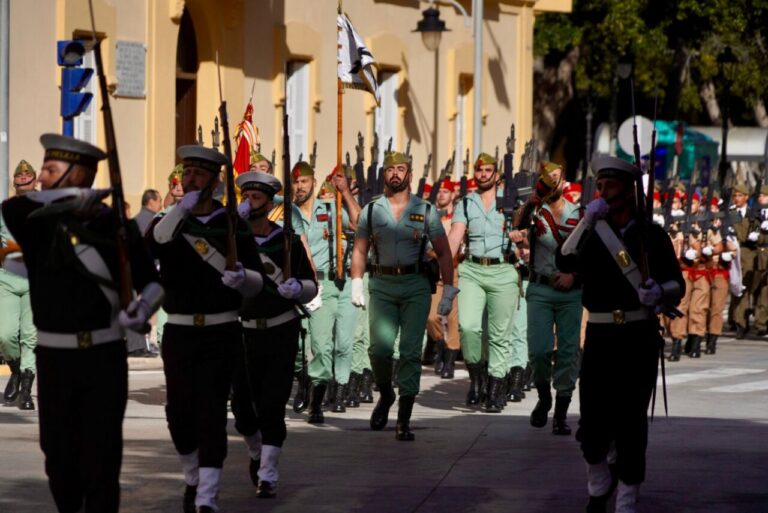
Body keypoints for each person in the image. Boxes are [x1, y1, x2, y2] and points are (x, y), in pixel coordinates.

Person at [2, 134, 163, 513]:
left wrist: (143, 310)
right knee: (57, 459)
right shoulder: (37, 223)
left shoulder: (115, 226)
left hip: (104, 356)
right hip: (55, 359)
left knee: (102, 459)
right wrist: (69, 201)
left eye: (50, 170)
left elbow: (151, 282)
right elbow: (12, 207)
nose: (41, 177)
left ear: (77, 174)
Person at [557, 154, 684, 513]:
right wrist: (585, 222)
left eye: (609, 185)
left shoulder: (651, 234)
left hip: (638, 336)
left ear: (629, 191)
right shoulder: (592, 233)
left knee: (631, 423)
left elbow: (678, 283)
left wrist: (659, 291)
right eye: (598, 185)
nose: (601, 191)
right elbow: (564, 261)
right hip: (600, 337)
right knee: (593, 423)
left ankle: (626, 497)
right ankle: (599, 481)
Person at [149, 145, 264, 513]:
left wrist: (242, 278)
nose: (191, 179)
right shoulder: (171, 222)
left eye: (200, 174)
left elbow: (259, 282)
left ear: (215, 181)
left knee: (212, 412)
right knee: (179, 413)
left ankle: (207, 496)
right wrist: (179, 209)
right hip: (180, 331)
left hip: (221, 330)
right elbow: (153, 243)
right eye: (187, 173)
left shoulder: (232, 223)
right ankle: (193, 477)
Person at [350, 151, 456, 441]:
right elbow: (360, 248)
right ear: (384, 175)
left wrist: (448, 290)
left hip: (415, 285)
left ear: (410, 174)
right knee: (380, 350)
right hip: (382, 284)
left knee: (410, 351)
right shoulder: (372, 210)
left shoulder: (426, 210)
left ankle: (403, 419)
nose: (395, 174)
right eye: (390, 170)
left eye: (401, 169)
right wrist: (356, 281)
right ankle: (386, 394)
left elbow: (445, 252)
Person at [229, 171, 317, 498]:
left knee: (272, 403)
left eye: (256, 197)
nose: (249, 203)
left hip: (280, 328)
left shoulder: (287, 240)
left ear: (269, 203)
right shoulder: (233, 241)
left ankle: (267, 473)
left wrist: (299, 288)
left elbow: (310, 285)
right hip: (244, 331)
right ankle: (255, 451)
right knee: (242, 408)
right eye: (245, 196)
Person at [509, 161, 582, 435]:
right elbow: (516, 225)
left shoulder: (579, 213)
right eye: (547, 178)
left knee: (568, 351)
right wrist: (531, 202)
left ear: (564, 180)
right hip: (539, 289)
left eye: (556, 177)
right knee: (538, 350)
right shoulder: (535, 211)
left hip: (570, 291)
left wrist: (574, 276)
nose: (552, 182)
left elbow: (587, 252)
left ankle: (561, 413)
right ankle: (543, 396)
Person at [448, 153, 520, 412]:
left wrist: (522, 237)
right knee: (468, 327)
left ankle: (495, 388)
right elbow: (455, 238)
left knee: (499, 335)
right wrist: (438, 253)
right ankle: (476, 376)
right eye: (479, 170)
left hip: (503, 270)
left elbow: (529, 234)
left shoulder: (512, 200)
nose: (482, 175)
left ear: (496, 173)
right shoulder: (466, 203)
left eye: (488, 170)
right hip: (472, 270)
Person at [292, 161, 360, 423]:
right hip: (298, 284)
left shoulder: (332, 208)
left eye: (304, 181)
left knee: (322, 345)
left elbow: (358, 222)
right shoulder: (289, 213)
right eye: (296, 182)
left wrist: (346, 193)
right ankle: (303, 382)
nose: (300, 186)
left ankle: (317, 402)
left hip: (327, 285)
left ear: (313, 182)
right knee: (296, 347)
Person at [1, 160, 38, 409]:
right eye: (19, 177)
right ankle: (15, 369)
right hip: (7, 280)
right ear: (14, 183)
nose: (23, 179)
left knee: (30, 337)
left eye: (28, 176)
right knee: (4, 335)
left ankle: (26, 390)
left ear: (35, 180)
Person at [425, 177, 460, 379]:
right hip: (434, 268)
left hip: (454, 269)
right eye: (439, 191)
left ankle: (449, 360)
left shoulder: (457, 219)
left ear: (453, 194)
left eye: (446, 192)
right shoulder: (431, 217)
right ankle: (439, 342)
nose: (441, 195)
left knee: (454, 318)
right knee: (431, 316)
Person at [729, 183, 756, 339]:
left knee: (745, 289)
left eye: (740, 196)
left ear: (746, 197)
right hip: (732, 253)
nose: (737, 199)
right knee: (736, 288)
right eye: (735, 196)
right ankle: (738, 321)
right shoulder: (730, 213)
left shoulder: (753, 214)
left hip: (747, 254)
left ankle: (743, 321)